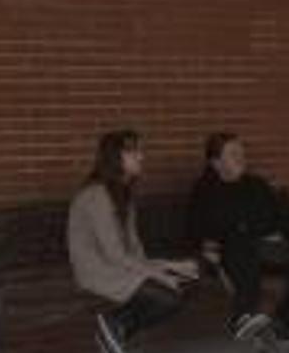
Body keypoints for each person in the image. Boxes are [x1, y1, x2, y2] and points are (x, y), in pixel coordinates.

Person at [67, 130, 202, 353]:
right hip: (98, 271)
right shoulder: (97, 195)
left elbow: (135, 254)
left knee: (189, 282)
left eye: (140, 150)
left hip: (120, 266)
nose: (141, 156)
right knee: (168, 297)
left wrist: (173, 267)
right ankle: (114, 325)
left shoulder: (123, 196)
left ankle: (115, 330)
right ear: (115, 158)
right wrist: (161, 275)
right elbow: (115, 255)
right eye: (133, 152)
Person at [184, 132, 289, 342]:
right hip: (232, 252)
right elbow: (203, 228)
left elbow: (276, 217)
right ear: (216, 162)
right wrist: (205, 246)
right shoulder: (205, 190)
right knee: (239, 239)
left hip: (269, 249)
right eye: (233, 153)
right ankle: (243, 315)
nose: (241, 157)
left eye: (241, 151)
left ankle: (285, 323)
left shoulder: (255, 184)